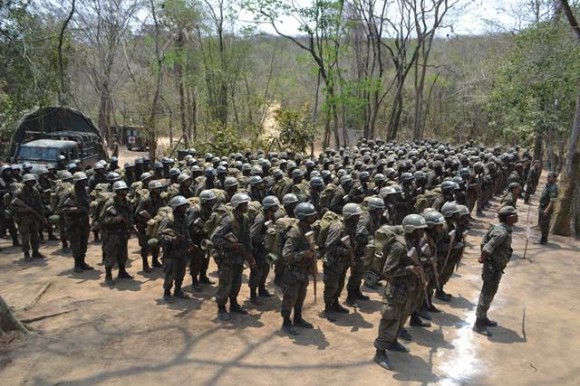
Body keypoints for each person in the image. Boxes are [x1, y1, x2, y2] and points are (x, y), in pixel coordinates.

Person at [373, 213, 428, 371]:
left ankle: (394, 341)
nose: (423, 232)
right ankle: (380, 351)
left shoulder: (414, 242)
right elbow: (388, 270)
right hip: (396, 291)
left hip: (409, 289)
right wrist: (408, 269)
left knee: (402, 318)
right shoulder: (399, 246)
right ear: (411, 230)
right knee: (390, 319)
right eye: (420, 229)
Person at [473, 205, 518, 336]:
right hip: (492, 268)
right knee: (486, 294)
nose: (517, 217)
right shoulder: (501, 232)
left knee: (490, 293)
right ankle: (478, 323)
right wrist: (483, 259)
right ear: (508, 218)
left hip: (496, 267)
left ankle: (483, 317)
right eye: (514, 215)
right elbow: (487, 248)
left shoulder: (504, 229)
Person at [210, 193, 255, 321]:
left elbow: (247, 238)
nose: (247, 206)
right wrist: (231, 245)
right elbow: (215, 237)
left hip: (239, 257)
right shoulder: (228, 220)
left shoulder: (245, 219)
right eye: (244, 204)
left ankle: (234, 304)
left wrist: (250, 255)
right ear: (238, 206)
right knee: (225, 282)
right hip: (227, 257)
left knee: (237, 282)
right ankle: (221, 307)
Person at [280, 202, 318, 335]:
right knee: (290, 297)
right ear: (303, 217)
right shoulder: (294, 232)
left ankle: (297, 318)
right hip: (292, 271)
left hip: (303, 270)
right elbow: (286, 255)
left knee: (301, 296)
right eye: (310, 216)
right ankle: (286, 322)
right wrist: (304, 254)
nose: (313, 218)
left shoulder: (307, 228)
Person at [99, 180, 135, 285]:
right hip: (112, 233)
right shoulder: (110, 203)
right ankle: (108, 275)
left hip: (123, 232)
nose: (124, 192)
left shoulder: (127, 202)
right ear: (117, 191)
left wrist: (131, 224)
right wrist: (115, 219)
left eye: (125, 190)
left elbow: (130, 214)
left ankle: (122, 272)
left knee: (123, 254)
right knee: (111, 254)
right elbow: (102, 219)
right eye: (121, 190)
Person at [58, 172, 93, 272]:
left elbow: (88, 203)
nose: (83, 183)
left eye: (84, 181)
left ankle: (82, 262)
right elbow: (60, 209)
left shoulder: (85, 191)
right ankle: (77, 264)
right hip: (74, 223)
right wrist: (73, 210)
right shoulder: (69, 192)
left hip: (84, 221)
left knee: (84, 244)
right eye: (81, 181)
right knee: (76, 244)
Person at [159, 196, 192, 302]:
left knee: (181, 272)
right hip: (171, 251)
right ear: (176, 208)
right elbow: (160, 234)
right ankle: (167, 292)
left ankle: (178, 290)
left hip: (183, 249)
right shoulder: (168, 219)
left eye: (185, 206)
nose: (185, 208)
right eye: (182, 206)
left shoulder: (185, 217)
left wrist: (189, 242)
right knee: (170, 273)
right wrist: (172, 239)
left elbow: (186, 231)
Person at [11, 174, 46, 261]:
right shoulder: (18, 192)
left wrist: (42, 216)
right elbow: (12, 207)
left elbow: (39, 204)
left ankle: (35, 251)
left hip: (34, 216)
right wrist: (23, 209)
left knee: (35, 235)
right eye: (29, 181)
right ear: (25, 182)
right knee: (25, 237)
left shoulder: (35, 191)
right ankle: (26, 253)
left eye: (32, 181)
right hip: (23, 218)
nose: (31, 183)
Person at [537, 171, 558, 245]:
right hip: (541, 207)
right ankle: (542, 237)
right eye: (547, 176)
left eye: (550, 176)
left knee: (544, 224)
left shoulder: (553, 187)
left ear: (554, 178)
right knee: (540, 223)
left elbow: (552, 201)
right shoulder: (547, 185)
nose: (547, 177)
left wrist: (547, 210)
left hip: (546, 208)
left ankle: (544, 239)